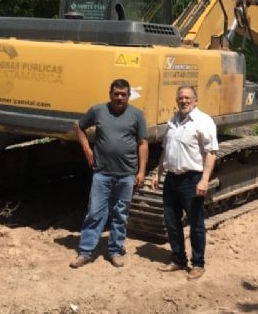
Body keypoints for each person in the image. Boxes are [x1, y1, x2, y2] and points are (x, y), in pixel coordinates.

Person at [70, 78, 149, 269]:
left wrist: (141, 171)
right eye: (116, 94)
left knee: (120, 214)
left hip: (127, 173)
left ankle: (115, 251)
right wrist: (87, 149)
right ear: (110, 94)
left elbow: (143, 143)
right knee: (95, 212)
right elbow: (79, 126)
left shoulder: (137, 115)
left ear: (129, 95)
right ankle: (86, 252)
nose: (120, 97)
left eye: (123, 94)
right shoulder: (98, 111)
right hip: (102, 173)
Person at [152, 85, 218, 280]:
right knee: (171, 222)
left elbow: (211, 152)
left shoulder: (203, 121)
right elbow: (165, 150)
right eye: (181, 98)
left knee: (196, 223)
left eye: (188, 98)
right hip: (172, 179)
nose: (184, 101)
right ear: (177, 100)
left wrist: (205, 179)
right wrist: (158, 174)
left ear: (195, 101)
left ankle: (198, 263)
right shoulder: (173, 122)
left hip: (192, 180)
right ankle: (178, 259)